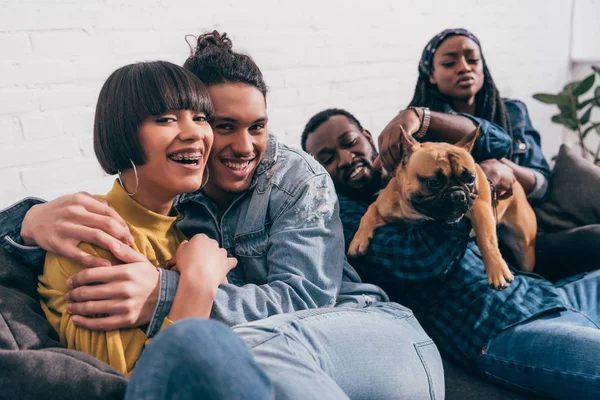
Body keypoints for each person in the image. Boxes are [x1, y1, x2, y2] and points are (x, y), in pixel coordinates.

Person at [1, 31, 443, 399]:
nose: (245, 147)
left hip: (371, 335)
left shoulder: (292, 178)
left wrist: (167, 291)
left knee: (246, 345)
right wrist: (25, 219)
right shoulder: (171, 200)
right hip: (291, 369)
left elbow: (305, 301)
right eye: (224, 124)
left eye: (258, 127)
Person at [302, 107, 600, 399]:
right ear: (315, 169)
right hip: (496, 327)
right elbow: (422, 257)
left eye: (349, 142)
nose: (344, 158)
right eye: (326, 158)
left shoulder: (423, 159)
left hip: (543, 294)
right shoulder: (344, 219)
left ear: (368, 137)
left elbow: (498, 141)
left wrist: (423, 117)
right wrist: (476, 189)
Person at [407, 28, 600, 281]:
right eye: (449, 62)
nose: (464, 68)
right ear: (431, 75)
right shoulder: (424, 132)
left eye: (472, 59)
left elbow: (541, 185)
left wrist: (502, 168)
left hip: (527, 233)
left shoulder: (513, 112)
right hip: (464, 242)